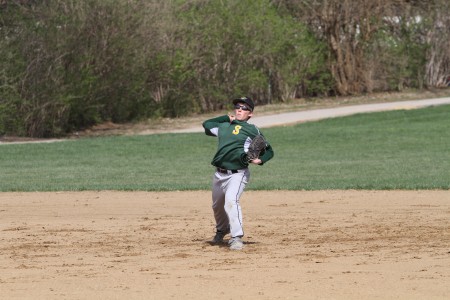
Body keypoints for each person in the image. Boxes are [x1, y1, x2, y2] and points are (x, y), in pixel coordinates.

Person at [202, 96, 274, 250]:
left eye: (244, 108)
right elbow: (206, 125)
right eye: (238, 107)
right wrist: (225, 117)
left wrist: (261, 160)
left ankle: (236, 237)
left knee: (231, 201)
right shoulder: (223, 126)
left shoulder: (252, 129)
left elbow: (269, 150)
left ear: (250, 114)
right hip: (219, 174)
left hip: (238, 174)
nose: (240, 110)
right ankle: (222, 230)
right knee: (217, 206)